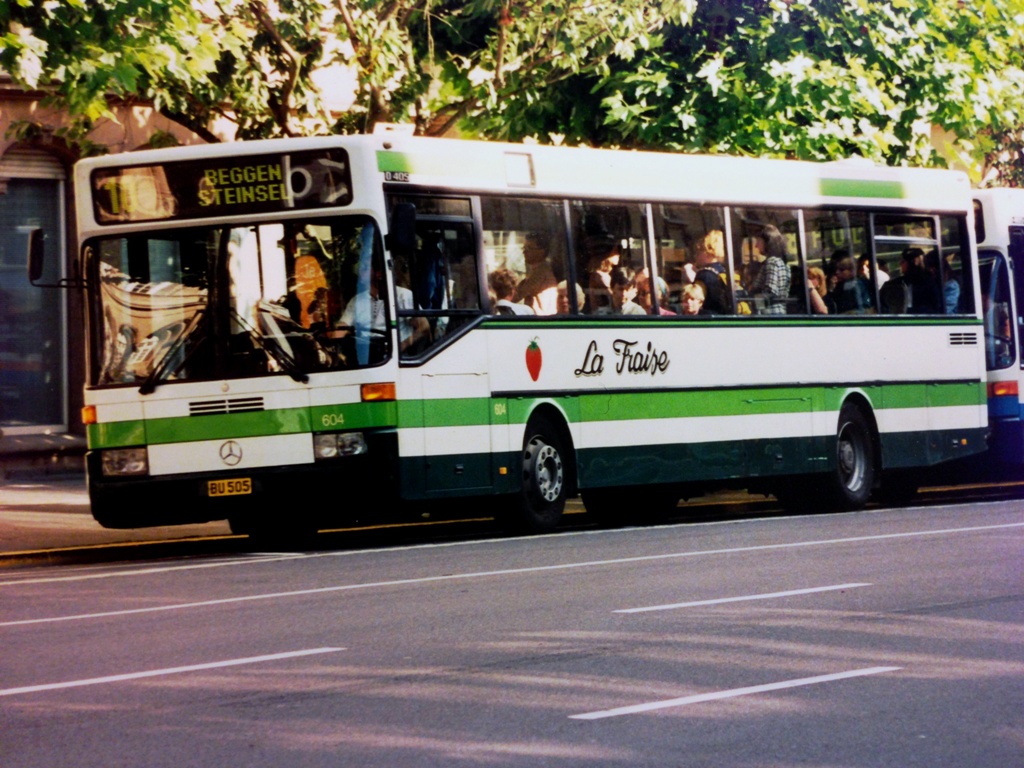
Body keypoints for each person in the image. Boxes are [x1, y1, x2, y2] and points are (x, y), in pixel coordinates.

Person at [747, 225, 790, 314]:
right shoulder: (782, 262)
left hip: (769, 313)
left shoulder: (772, 262)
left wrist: (753, 301)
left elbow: (770, 292)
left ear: (768, 242)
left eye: (758, 241)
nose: (756, 246)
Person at [516, 231, 559, 315]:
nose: (524, 252)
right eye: (524, 248)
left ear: (542, 251)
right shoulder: (535, 270)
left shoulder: (542, 272)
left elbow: (520, 294)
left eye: (529, 248)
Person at [692, 229, 731, 314]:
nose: (695, 256)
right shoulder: (724, 271)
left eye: (698, 251)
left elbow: (695, 300)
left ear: (707, 252)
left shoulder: (704, 275)